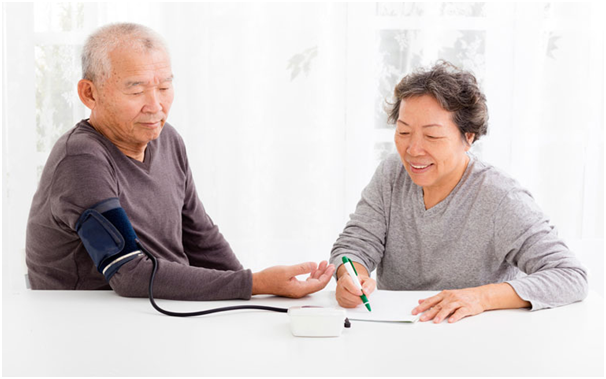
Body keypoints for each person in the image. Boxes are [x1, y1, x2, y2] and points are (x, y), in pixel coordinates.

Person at [25, 22, 335, 300]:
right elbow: (129, 274)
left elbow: (200, 237)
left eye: (163, 87)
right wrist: (254, 284)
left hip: (158, 311)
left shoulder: (167, 138)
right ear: (89, 94)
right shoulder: (81, 158)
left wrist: (256, 297)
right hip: (88, 324)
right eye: (136, 90)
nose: (155, 105)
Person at [330, 61, 588, 323]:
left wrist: (481, 297)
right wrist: (351, 276)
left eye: (432, 136)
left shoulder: (500, 198)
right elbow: (354, 245)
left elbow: (570, 276)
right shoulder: (391, 174)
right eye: (403, 131)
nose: (412, 149)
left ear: (469, 137)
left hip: (476, 338)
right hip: (397, 331)